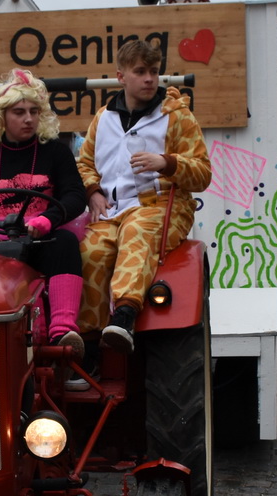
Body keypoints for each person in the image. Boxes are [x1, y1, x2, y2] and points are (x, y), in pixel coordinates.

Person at [76, 39, 212, 351]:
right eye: (140, 71)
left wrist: (167, 163)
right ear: (121, 76)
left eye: (154, 71)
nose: (149, 78)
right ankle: (90, 342)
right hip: (111, 211)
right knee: (89, 253)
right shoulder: (102, 118)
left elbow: (203, 174)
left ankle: (124, 314)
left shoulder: (177, 116)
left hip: (161, 206)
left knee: (137, 233)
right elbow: (84, 164)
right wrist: (93, 192)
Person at [0, 71, 87, 351]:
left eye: (34, 111)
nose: (28, 119)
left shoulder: (56, 152)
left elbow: (76, 197)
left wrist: (47, 220)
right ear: (1, 117)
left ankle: (63, 333)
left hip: (43, 237)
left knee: (65, 243)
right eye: (19, 112)